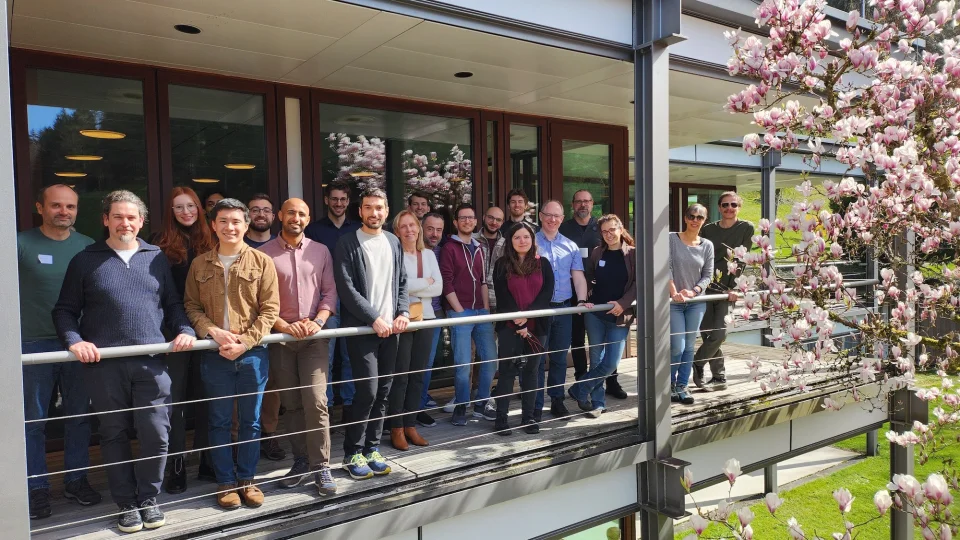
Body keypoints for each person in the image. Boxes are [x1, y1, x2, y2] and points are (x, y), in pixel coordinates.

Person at [53, 190, 196, 534]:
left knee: (157, 433)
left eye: (131, 217)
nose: (125, 223)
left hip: (151, 361)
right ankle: (126, 503)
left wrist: (185, 328)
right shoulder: (85, 259)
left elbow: (173, 304)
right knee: (114, 433)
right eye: (117, 216)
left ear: (141, 222)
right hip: (105, 365)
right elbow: (65, 311)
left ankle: (149, 497)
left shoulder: (156, 257)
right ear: (105, 220)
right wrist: (75, 340)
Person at [184, 198, 279, 510]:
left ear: (246, 225)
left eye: (236, 221)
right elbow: (191, 306)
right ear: (213, 225)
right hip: (214, 355)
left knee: (251, 421)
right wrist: (212, 330)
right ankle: (225, 482)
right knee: (219, 420)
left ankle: (248, 480)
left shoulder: (262, 262)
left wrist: (245, 342)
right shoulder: (199, 264)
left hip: (252, 355)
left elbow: (270, 311)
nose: (230, 227)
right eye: (223, 221)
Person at [20, 184, 100, 520]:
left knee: (79, 418)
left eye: (70, 206)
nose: (63, 212)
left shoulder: (88, 248)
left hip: (79, 345)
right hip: (33, 345)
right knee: (34, 423)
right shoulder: (19, 244)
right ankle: (36, 488)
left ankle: (76, 480)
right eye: (56, 205)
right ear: (41, 207)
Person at [260, 198, 338, 496]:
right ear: (280, 216)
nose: (296, 217)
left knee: (316, 401)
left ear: (308, 219)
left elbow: (330, 292)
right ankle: (301, 461)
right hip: (280, 339)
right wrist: (282, 325)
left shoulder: (320, 251)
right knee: (291, 404)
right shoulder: (263, 254)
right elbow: (258, 301)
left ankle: (322, 467)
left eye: (302, 213)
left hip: (314, 338)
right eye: (291, 212)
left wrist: (318, 321)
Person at [333, 188, 409, 480]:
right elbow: (347, 288)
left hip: (392, 329)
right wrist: (374, 318)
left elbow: (402, 281)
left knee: (384, 392)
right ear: (360, 211)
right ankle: (352, 452)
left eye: (379, 207)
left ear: (386, 211)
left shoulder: (393, 241)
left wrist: (402, 311)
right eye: (368, 207)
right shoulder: (347, 243)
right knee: (367, 391)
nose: (374, 213)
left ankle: (372, 449)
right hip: (365, 329)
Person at [149, 187, 216, 494]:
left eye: (191, 206)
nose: (186, 211)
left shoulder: (212, 241)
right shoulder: (157, 244)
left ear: (200, 209)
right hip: (173, 334)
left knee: (207, 398)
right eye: (179, 207)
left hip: (209, 332)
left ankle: (208, 459)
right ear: (170, 212)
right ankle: (177, 464)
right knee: (174, 402)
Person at [568, 215, 637, 418]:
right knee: (596, 360)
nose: (608, 234)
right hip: (596, 314)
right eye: (604, 231)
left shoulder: (633, 254)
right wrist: (587, 295)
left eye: (612, 230)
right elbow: (588, 276)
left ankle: (580, 388)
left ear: (620, 228)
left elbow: (638, 284)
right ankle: (598, 403)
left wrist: (623, 304)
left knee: (611, 362)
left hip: (619, 316)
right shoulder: (598, 252)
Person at [559, 189, 626, 399]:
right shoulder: (563, 228)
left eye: (587, 201)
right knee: (577, 339)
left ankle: (611, 382)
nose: (583, 205)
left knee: (607, 342)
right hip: (573, 292)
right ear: (572, 205)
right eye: (578, 201)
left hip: (601, 292)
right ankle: (581, 379)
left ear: (592, 204)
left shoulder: (601, 227)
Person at [491, 222, 554, 435]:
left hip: (537, 327)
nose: (522, 241)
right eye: (517, 237)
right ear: (510, 241)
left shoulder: (543, 264)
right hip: (509, 327)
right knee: (507, 372)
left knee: (531, 372)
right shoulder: (501, 264)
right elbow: (503, 296)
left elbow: (547, 294)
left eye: (526, 237)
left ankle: (529, 418)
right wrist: (520, 322)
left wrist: (527, 320)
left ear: (532, 240)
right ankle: (501, 418)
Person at [439, 203, 498, 426]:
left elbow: (483, 281)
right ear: (455, 222)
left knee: (491, 360)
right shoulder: (449, 248)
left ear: (475, 221)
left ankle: (482, 403)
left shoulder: (479, 247)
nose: (467, 221)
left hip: (480, 312)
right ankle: (462, 405)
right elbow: (446, 282)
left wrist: (485, 309)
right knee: (463, 363)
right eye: (462, 218)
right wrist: (460, 310)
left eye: (471, 218)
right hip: (460, 312)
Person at [388, 210, 441, 450]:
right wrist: (424, 283)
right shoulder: (392, 253)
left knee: (418, 376)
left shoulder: (428, 254)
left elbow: (438, 287)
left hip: (426, 319)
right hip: (402, 320)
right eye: (403, 226)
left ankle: (411, 425)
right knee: (401, 377)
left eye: (412, 225)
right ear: (396, 231)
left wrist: (412, 288)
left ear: (418, 229)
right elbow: (397, 288)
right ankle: (396, 428)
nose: (409, 230)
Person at [305, 182, 359, 415]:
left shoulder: (357, 229)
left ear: (348, 201)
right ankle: (324, 407)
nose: (339, 203)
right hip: (325, 299)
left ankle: (348, 403)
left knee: (350, 353)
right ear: (326, 200)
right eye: (334, 199)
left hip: (353, 298)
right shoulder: (313, 230)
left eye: (343, 199)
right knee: (325, 355)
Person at [535, 200, 591, 418]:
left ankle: (557, 399)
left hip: (564, 309)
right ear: (541, 216)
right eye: (548, 215)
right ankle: (536, 402)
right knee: (537, 358)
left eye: (557, 216)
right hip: (539, 310)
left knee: (559, 358)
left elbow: (578, 276)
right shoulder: (531, 242)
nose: (552, 219)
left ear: (562, 218)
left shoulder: (570, 245)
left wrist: (581, 300)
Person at [694, 191, 754, 391]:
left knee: (720, 333)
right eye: (725, 205)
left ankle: (697, 362)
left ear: (739, 207)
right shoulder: (709, 230)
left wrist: (736, 287)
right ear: (719, 208)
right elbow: (699, 256)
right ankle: (719, 377)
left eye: (733, 205)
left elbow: (742, 260)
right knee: (707, 333)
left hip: (727, 289)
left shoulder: (746, 228)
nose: (729, 208)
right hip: (705, 287)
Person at [669, 204, 715, 406]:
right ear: (685, 218)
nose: (695, 220)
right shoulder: (671, 238)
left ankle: (682, 386)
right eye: (691, 216)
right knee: (676, 347)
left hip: (696, 302)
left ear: (704, 220)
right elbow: (665, 267)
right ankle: (668, 384)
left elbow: (708, 275)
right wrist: (674, 293)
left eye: (699, 217)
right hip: (673, 302)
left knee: (689, 347)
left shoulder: (707, 245)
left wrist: (694, 291)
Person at [416, 212, 447, 428]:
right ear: (421, 227)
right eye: (430, 229)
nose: (434, 234)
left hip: (435, 314)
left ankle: (419, 404)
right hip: (411, 314)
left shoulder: (441, 252)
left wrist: (422, 285)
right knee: (411, 364)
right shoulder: (412, 251)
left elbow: (439, 287)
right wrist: (425, 284)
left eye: (439, 230)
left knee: (426, 363)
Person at [476, 206, 506, 311]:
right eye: (491, 218)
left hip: (499, 304)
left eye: (498, 220)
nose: (494, 222)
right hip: (473, 303)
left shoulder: (508, 245)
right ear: (484, 217)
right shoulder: (471, 240)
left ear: (502, 222)